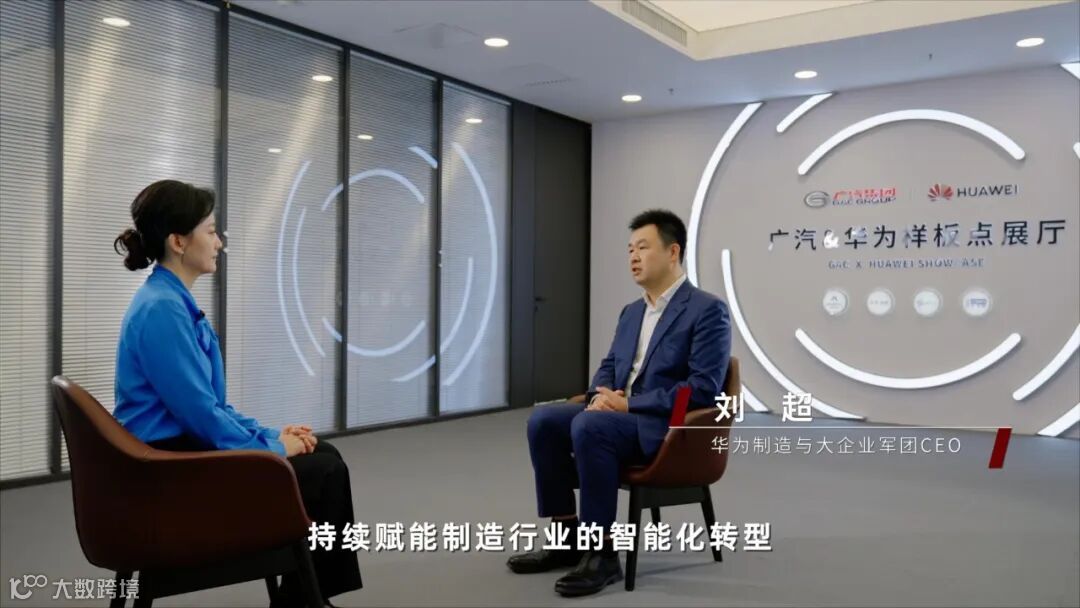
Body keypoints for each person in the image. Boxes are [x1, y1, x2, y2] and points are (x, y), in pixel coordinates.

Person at [112, 179, 362, 607]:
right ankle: (305, 601)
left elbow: (212, 408)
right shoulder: (162, 311)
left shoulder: (169, 301)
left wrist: (270, 435)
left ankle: (305, 598)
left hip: (181, 451)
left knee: (324, 454)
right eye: (211, 232)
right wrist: (272, 449)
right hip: (173, 472)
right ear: (178, 241)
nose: (219, 243)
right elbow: (204, 418)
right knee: (325, 472)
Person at [506, 209, 731, 597]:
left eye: (643, 247)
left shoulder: (707, 310)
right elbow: (610, 366)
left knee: (590, 426)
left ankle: (603, 554)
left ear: (673, 252)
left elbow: (701, 390)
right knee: (543, 421)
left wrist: (630, 405)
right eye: (629, 249)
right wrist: (600, 397)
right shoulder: (632, 312)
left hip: (667, 427)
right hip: (618, 416)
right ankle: (567, 538)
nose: (633, 257)